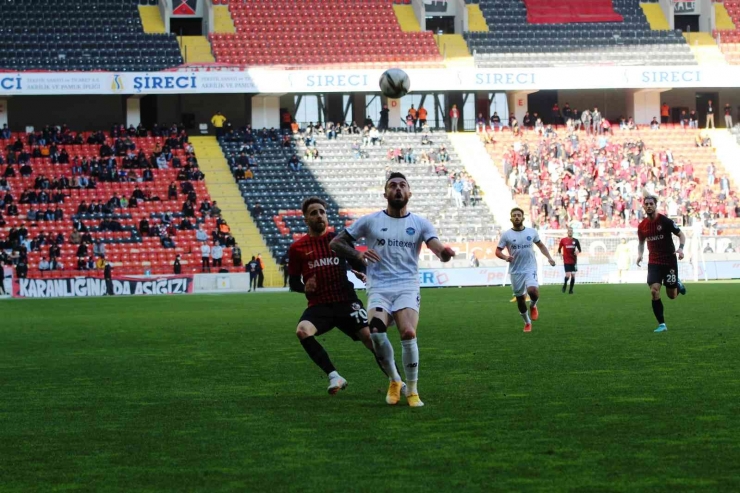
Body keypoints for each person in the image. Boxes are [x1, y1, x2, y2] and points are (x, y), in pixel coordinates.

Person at [330, 172, 456, 407]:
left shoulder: (419, 223)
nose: (397, 189)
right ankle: (395, 380)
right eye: (392, 186)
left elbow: (437, 247)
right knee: (376, 333)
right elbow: (335, 242)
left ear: (409, 193)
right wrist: (357, 253)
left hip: (407, 285)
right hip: (379, 286)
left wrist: (444, 253)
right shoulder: (370, 221)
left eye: (402, 185)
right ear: (385, 193)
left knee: (408, 332)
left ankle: (413, 390)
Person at [289, 197, 401, 395]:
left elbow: (358, 263)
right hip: (320, 305)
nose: (319, 216)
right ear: (306, 218)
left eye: (322, 212)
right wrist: (305, 287)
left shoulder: (338, 241)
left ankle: (397, 381)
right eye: (313, 213)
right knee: (302, 331)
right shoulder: (297, 249)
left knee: (372, 339)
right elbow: (293, 284)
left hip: (346, 301)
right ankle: (334, 376)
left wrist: (363, 272)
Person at [495, 208, 557, 333]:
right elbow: (497, 251)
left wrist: (549, 258)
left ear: (523, 218)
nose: (517, 217)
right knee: (520, 299)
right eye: (514, 215)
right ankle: (527, 322)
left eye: (519, 215)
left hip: (530, 267)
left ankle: (533, 305)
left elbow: (541, 246)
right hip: (516, 271)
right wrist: (505, 257)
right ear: (511, 218)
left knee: (532, 291)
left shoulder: (531, 232)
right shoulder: (506, 235)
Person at [636, 196, 687, 333]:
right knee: (654, 291)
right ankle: (662, 324)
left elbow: (682, 235)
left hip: (669, 262)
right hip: (654, 263)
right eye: (646, 204)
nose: (648, 206)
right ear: (644, 206)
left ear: (655, 205)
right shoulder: (642, 226)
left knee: (672, 295)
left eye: (651, 204)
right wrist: (640, 255)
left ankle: (677, 284)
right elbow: (641, 243)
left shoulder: (665, 221)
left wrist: (681, 248)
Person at [558, 227, 582, 294]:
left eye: (571, 231)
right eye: (569, 231)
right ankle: (565, 284)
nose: (570, 232)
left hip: (574, 261)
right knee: (568, 275)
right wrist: (560, 254)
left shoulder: (576, 241)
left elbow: (580, 249)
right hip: (566, 261)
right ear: (567, 232)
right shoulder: (563, 240)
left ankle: (571, 290)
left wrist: (577, 251)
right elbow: (559, 249)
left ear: (572, 232)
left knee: (573, 275)